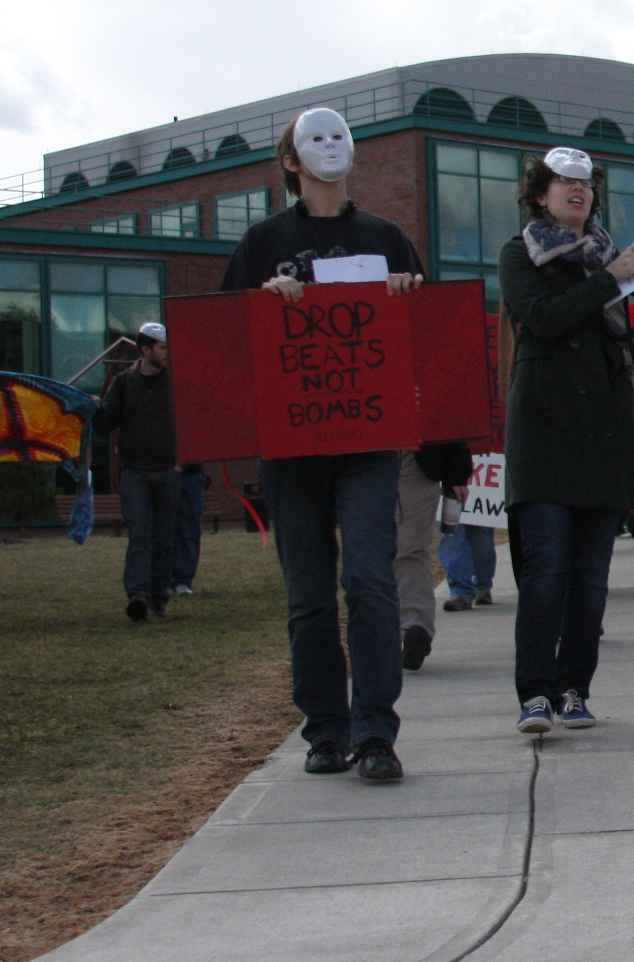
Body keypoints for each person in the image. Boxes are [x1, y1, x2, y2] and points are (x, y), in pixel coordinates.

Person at [220, 107, 422, 782]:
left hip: (367, 443)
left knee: (368, 579)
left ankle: (374, 732)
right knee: (308, 594)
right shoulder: (261, 241)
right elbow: (228, 339)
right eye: (315, 141)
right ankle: (325, 730)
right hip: (293, 448)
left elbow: (424, 338)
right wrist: (263, 302)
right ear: (291, 162)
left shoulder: (386, 236)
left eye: (340, 137)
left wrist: (405, 296)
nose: (330, 148)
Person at [500, 146, 634, 735]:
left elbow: (623, 333)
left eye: (586, 183)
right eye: (563, 182)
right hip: (544, 429)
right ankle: (534, 694)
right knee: (544, 572)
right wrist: (609, 281)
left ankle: (574, 688)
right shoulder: (520, 253)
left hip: (606, 429)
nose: (578, 189)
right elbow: (542, 318)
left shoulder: (614, 257)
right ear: (540, 194)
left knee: (591, 579)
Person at [92, 321, 181, 623]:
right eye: (163, 347)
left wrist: (186, 461)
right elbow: (106, 424)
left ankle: (159, 598)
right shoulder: (123, 382)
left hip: (169, 470)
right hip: (135, 473)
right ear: (146, 350)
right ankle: (138, 597)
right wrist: (93, 410)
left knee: (164, 539)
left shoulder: (178, 382)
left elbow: (195, 421)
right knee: (140, 534)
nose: (169, 353)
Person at [394, 442, 474, 671]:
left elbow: (444, 414)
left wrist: (456, 471)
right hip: (356, 450)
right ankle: (409, 625)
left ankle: (413, 629)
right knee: (406, 551)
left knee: (409, 548)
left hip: (410, 451)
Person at [438, 503, 494, 611]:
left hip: (480, 490)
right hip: (447, 490)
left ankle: (483, 585)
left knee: (481, 535)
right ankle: (461, 591)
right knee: (450, 533)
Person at [170, 464, 207, 597]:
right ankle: (161, 581)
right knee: (160, 530)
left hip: (190, 473)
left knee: (189, 531)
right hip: (161, 473)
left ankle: (182, 581)